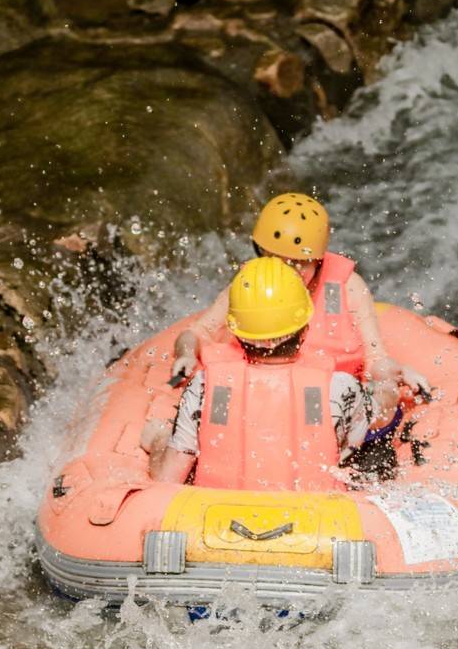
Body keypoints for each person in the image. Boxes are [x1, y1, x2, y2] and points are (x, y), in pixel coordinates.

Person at [169, 191, 403, 423]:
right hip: (264, 395)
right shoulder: (251, 284)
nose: (290, 271)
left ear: (318, 259)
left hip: (329, 403)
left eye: (300, 263)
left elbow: (376, 357)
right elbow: (198, 333)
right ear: (262, 254)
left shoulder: (347, 287)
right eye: (279, 260)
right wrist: (186, 354)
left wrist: (392, 378)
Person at [150, 256, 375, 490]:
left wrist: (158, 441)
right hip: (314, 518)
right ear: (305, 329)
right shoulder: (340, 388)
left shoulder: (205, 386)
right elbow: (357, 443)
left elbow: (167, 479)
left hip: (218, 515)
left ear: (236, 332)